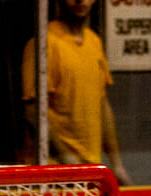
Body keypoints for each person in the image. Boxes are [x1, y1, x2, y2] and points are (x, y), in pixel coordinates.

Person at [20, 0, 132, 184]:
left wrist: (116, 162)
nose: (80, 1)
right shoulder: (42, 43)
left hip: (91, 170)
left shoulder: (94, 42)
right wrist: (65, 156)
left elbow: (102, 104)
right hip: (52, 172)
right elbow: (32, 111)